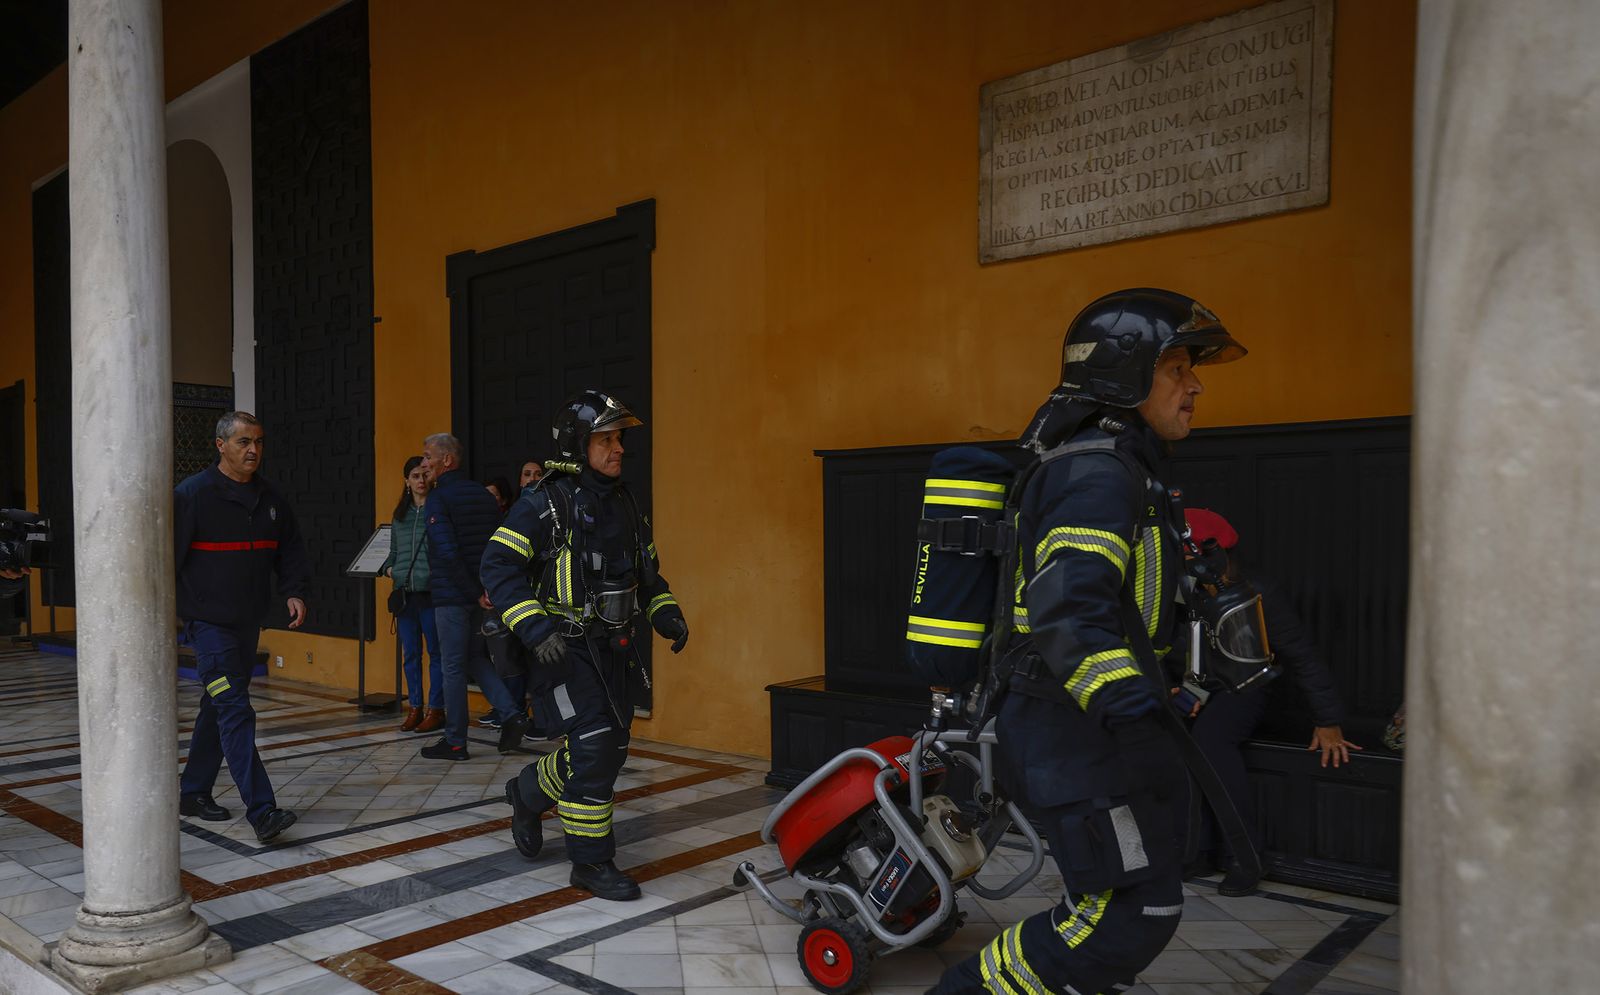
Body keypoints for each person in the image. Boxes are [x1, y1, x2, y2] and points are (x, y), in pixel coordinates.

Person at [932, 289, 1247, 995]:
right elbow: (1069, 609)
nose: (1195, 385)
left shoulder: (1123, 467)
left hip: (1090, 727)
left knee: (1134, 909)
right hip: (1071, 729)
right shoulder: (1097, 474)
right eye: (1177, 369)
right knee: (1121, 918)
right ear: (1124, 374)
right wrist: (1130, 710)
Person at [482, 390, 689, 901]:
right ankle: (591, 863)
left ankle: (527, 793)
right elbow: (497, 566)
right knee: (596, 749)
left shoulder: (626, 502)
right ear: (578, 445)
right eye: (606, 440)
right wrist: (534, 627)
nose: (619, 449)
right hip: (561, 648)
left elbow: (648, 575)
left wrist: (666, 613)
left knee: (606, 747)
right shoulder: (545, 503)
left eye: (619, 439)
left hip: (614, 648)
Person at [1177, 507, 1360, 893]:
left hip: (1248, 686)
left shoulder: (1257, 592)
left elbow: (1301, 654)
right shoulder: (1180, 591)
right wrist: (1176, 688)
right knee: (1174, 737)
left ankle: (1246, 856)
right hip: (1197, 687)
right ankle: (1198, 849)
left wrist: (1327, 720)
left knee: (1210, 742)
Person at [173, 411, 307, 843]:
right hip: (209, 626)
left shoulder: (271, 498)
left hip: (248, 623)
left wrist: (293, 591)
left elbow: (290, 548)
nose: (253, 450)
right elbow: (167, 560)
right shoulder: (192, 495)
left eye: (258, 442)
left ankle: (193, 791)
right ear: (221, 445)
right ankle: (262, 811)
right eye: (243, 442)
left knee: (218, 706)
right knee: (234, 708)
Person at [417, 433, 524, 761]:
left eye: (428, 457)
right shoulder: (482, 495)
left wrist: (474, 592)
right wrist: (485, 589)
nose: (424, 464)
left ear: (447, 460)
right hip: (481, 594)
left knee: (452, 666)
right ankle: (511, 713)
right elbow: (497, 545)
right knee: (475, 659)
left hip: (454, 595)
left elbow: (447, 552)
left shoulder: (438, 499)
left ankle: (455, 741)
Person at [382, 456, 443, 733]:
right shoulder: (400, 516)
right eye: (415, 476)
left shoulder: (438, 510)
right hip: (405, 595)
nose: (421, 481)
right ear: (406, 481)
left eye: (424, 475)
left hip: (431, 593)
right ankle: (415, 707)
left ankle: (435, 709)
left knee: (436, 653)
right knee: (411, 655)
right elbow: (393, 553)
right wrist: (389, 569)